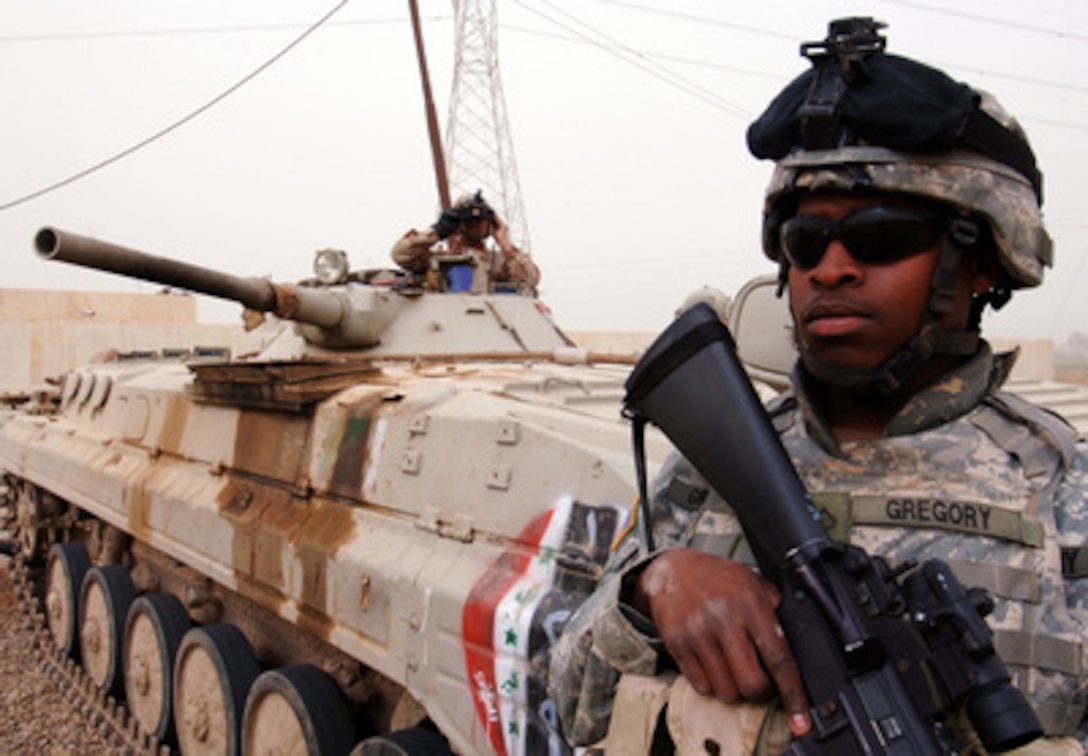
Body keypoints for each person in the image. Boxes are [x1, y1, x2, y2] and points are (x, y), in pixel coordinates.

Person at [548, 17, 1087, 755]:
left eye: (880, 237)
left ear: (984, 264)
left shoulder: (1061, 492)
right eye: (806, 242)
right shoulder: (712, 469)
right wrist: (652, 590)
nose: (829, 269)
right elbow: (570, 701)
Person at [390, 191, 541, 294]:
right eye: (467, 220)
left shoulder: (499, 262)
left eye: (480, 221)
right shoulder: (437, 260)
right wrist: (437, 231)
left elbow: (531, 278)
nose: (474, 224)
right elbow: (400, 254)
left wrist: (504, 242)